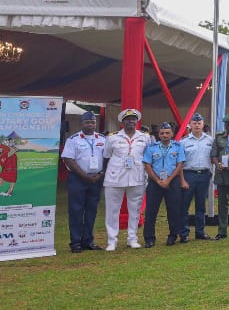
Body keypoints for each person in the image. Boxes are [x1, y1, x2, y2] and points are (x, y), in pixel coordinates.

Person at [103, 108, 152, 250]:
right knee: (112, 210)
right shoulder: (112, 137)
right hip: (115, 177)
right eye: (128, 119)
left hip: (137, 176)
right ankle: (112, 240)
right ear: (122, 122)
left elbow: (147, 156)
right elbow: (106, 155)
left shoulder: (145, 137)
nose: (131, 121)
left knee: (135, 209)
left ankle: (132, 238)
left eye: (133, 119)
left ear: (137, 121)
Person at [61, 113, 105, 251]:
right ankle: (75, 242)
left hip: (96, 179)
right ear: (81, 124)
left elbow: (107, 157)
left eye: (92, 122)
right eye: (87, 122)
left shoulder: (103, 139)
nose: (90, 125)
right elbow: (68, 159)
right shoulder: (73, 139)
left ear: (95, 123)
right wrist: (84, 176)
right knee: (76, 210)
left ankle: (88, 241)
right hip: (78, 179)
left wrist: (101, 174)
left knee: (92, 210)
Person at [141, 122, 186, 247]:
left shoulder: (178, 146)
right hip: (155, 181)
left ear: (172, 134)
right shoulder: (151, 147)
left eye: (167, 133)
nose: (164, 135)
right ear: (159, 135)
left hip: (173, 181)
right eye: (162, 133)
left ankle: (172, 236)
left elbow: (180, 165)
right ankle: (149, 238)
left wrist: (168, 180)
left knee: (173, 210)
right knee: (151, 211)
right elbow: (147, 165)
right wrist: (157, 181)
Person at [178, 112, 214, 242]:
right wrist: (182, 179)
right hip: (189, 175)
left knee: (201, 205)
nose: (197, 125)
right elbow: (180, 163)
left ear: (203, 125)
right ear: (190, 125)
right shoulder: (183, 142)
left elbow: (214, 157)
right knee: (184, 205)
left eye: (199, 123)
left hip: (204, 175)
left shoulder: (210, 140)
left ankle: (200, 232)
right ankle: (184, 233)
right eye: (194, 123)